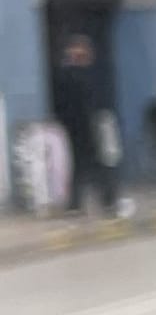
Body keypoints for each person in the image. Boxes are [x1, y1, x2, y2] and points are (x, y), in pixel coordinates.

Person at [50, 33, 132, 217]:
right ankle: (77, 204)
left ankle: (108, 202)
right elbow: (63, 102)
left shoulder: (95, 72)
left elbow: (103, 98)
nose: (79, 54)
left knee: (103, 164)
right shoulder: (66, 75)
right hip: (78, 128)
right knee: (80, 166)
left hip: (96, 124)